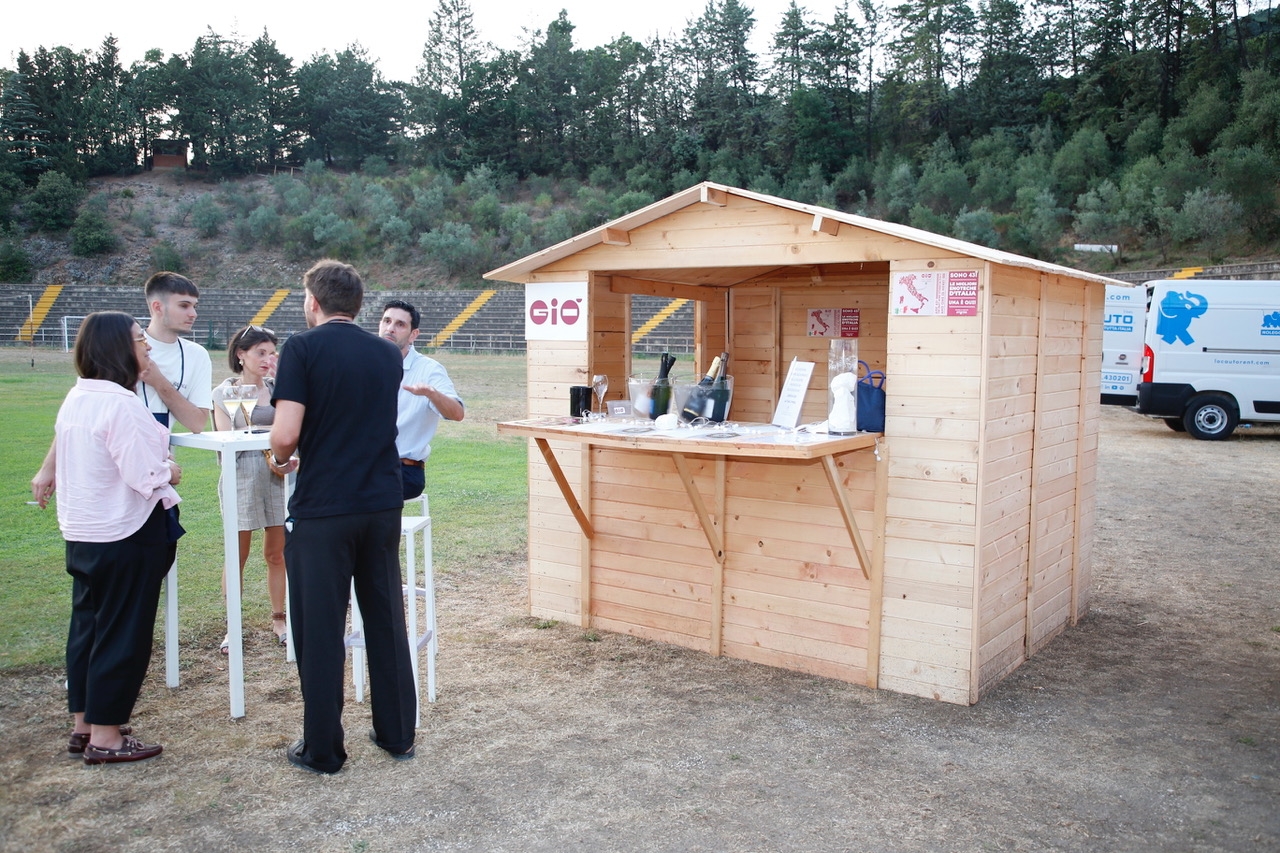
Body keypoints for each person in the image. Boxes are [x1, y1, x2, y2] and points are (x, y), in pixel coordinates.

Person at [270, 259, 417, 774]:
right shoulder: (386, 353)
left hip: (325, 507)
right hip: (379, 501)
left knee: (321, 627)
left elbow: (286, 434)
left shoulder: (301, 348)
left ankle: (324, 750)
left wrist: (277, 456)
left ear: (313, 301)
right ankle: (398, 733)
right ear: (357, 305)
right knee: (384, 619)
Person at [42, 312, 183, 764]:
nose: (147, 348)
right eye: (140, 340)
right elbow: (145, 475)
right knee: (124, 632)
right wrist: (171, 471)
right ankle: (107, 736)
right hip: (125, 533)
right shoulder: (121, 404)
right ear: (117, 349)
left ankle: (84, 723)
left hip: (84, 533)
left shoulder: (77, 397)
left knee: (88, 626)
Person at [29, 271, 211, 503]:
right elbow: (81, 411)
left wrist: (158, 381)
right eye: (184, 306)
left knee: (160, 534)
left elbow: (197, 422)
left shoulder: (197, 355)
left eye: (195, 306)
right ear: (157, 306)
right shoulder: (120, 347)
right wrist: (48, 467)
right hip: (105, 470)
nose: (193, 314)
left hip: (155, 471)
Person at [211, 325, 298, 652]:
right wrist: (268, 448)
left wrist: (283, 459)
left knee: (277, 553)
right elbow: (228, 440)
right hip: (241, 478)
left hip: (280, 479)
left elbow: (291, 432)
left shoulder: (282, 389)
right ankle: (233, 626)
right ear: (240, 355)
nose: (268, 359)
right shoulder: (224, 393)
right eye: (260, 352)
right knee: (237, 555)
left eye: (272, 352)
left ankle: (280, 619)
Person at [378, 299, 465, 500]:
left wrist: (432, 394)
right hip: (365, 463)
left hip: (404, 469)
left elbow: (457, 413)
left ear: (413, 335)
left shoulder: (428, 369)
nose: (391, 328)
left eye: (400, 324)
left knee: (350, 496)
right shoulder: (363, 362)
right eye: (387, 321)